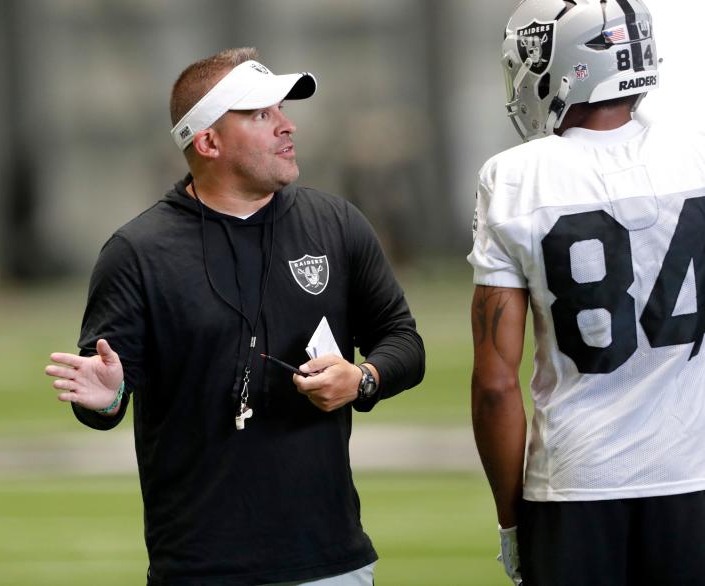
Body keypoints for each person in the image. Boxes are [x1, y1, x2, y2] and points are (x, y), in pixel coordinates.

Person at [44, 47, 425, 585]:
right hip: (200, 569)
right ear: (208, 141)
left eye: (282, 111)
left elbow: (403, 341)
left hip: (330, 562)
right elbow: (103, 400)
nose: (287, 126)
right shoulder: (137, 252)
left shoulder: (337, 224)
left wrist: (362, 379)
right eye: (261, 114)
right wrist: (109, 397)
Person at [468, 0, 705, 586]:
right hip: (691, 485)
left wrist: (511, 520)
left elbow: (496, 385)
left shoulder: (515, 178)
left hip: (571, 489)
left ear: (568, 63)